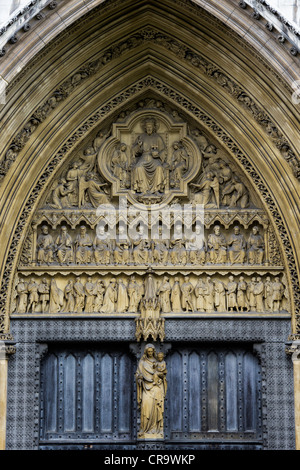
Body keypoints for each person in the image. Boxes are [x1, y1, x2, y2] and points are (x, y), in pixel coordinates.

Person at [135, 344, 166, 438]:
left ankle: (156, 430)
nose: (150, 353)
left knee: (157, 409)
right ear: (145, 352)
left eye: (151, 351)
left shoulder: (158, 362)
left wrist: (159, 376)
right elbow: (137, 374)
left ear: (154, 351)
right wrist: (139, 378)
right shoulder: (142, 362)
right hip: (145, 387)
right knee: (146, 407)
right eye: (148, 351)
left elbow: (163, 375)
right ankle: (145, 430)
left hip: (156, 387)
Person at [132, 118, 166, 194]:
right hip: (144, 157)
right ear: (145, 128)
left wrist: (158, 154)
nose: (149, 129)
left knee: (159, 168)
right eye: (147, 127)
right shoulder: (141, 137)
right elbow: (134, 151)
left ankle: (156, 189)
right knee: (138, 167)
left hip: (154, 159)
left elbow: (163, 150)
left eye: (150, 127)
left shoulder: (157, 138)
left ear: (154, 128)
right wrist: (139, 146)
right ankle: (142, 189)